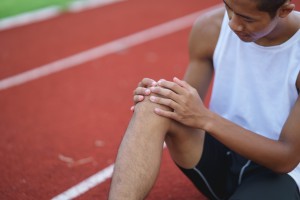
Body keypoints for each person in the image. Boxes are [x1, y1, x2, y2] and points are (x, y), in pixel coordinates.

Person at [109, 0, 300, 199]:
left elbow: (285, 159)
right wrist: (162, 94)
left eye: (247, 18)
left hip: (281, 174)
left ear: (284, 11)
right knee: (154, 105)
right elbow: (182, 111)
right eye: (229, 8)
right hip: (221, 154)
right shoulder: (211, 28)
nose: (233, 24)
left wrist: (206, 118)